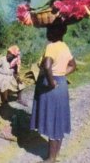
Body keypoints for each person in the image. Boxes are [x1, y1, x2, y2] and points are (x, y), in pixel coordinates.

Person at [30, 24, 76, 163]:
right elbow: (73, 65)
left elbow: (48, 65)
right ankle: (55, 155)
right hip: (61, 86)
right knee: (59, 120)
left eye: (48, 30)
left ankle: (50, 159)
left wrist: (51, 81)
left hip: (52, 87)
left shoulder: (51, 46)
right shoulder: (64, 46)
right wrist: (61, 75)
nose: (47, 33)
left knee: (52, 119)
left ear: (52, 32)